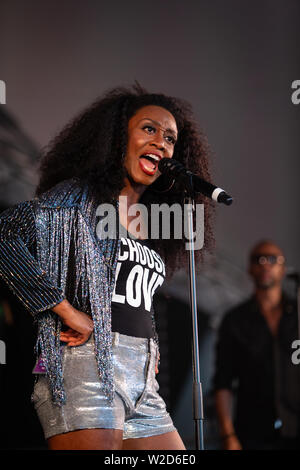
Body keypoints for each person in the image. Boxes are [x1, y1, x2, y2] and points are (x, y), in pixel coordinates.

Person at [0, 83, 213, 450]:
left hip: (143, 383)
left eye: (170, 138)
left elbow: (133, 295)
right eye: (149, 128)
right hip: (86, 368)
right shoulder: (79, 197)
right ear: (117, 138)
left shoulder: (153, 221)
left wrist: (150, 347)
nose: (161, 142)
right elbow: (5, 234)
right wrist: (65, 310)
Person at [213, 240, 300, 450]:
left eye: (272, 259)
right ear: (250, 268)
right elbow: (222, 382)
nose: (265, 264)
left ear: (283, 267)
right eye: (258, 259)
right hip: (253, 431)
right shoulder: (235, 319)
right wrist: (228, 434)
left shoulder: (297, 314)